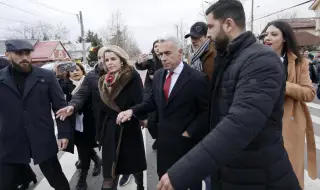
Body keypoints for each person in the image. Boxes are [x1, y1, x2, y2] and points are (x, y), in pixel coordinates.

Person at [157, 1, 301, 190]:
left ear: (229, 24)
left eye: (210, 27)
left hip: (258, 176)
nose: (207, 34)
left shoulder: (261, 60)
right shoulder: (228, 58)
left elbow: (239, 124)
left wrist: (183, 172)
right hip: (231, 171)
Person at [117, 36, 209, 190]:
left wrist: (189, 132)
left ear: (180, 52)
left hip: (188, 145)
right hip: (164, 142)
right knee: (164, 182)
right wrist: (132, 111)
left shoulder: (197, 78)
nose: (163, 58)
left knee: (191, 183)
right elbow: (152, 101)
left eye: (167, 53)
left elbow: (206, 112)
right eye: (160, 54)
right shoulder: (159, 75)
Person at [57, 45, 147, 190]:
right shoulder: (97, 77)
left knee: (133, 164)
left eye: (112, 59)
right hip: (109, 127)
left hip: (128, 128)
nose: (106, 62)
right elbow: (81, 94)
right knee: (110, 172)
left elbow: (141, 101)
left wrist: (137, 114)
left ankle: (140, 185)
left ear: (121, 60)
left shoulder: (132, 75)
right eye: (104, 59)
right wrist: (72, 106)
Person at [0, 39, 71, 190]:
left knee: (58, 180)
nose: (24, 57)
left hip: (42, 138)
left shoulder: (46, 76)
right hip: (10, 141)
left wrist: (64, 133)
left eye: (27, 53)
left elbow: (60, 107)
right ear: (7, 55)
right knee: (6, 184)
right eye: (19, 53)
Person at [261, 20, 317, 189]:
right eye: (266, 34)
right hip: (262, 122)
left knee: (290, 172)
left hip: (290, 123)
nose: (268, 38)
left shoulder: (300, 62)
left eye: (274, 34)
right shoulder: (257, 59)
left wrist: (282, 84)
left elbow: (309, 93)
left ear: (285, 38)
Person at [135, 40, 163, 150]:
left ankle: (161, 138)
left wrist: (156, 77)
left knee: (161, 115)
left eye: (159, 46)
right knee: (150, 117)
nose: (157, 48)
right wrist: (139, 62)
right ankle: (158, 137)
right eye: (155, 46)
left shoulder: (166, 58)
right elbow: (141, 67)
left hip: (163, 91)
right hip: (150, 91)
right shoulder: (151, 59)